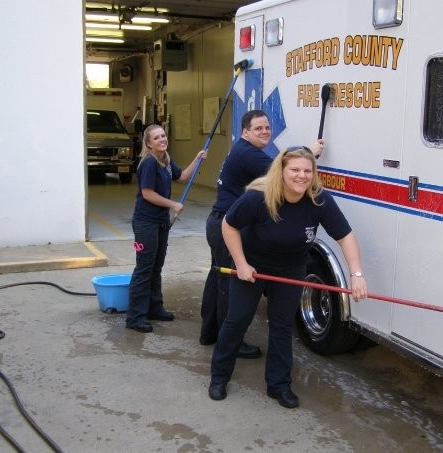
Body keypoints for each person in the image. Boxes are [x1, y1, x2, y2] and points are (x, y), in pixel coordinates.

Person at [208, 146, 367, 408]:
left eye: (307, 170)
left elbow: (345, 236)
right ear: (281, 171)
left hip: (290, 269)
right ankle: (219, 376)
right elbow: (229, 224)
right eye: (294, 169)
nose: (301, 176)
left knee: (281, 326)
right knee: (237, 321)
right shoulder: (258, 198)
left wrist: (356, 273)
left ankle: (278, 384)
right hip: (253, 268)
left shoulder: (318, 199)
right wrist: (241, 264)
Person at [199, 110, 324, 359]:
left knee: (218, 281)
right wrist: (309, 153)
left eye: (267, 127)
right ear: (246, 132)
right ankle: (230, 343)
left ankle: (209, 333)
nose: (265, 131)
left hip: (217, 222)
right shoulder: (249, 155)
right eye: (258, 128)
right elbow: (283, 172)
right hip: (227, 225)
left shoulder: (242, 149)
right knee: (228, 289)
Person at [126, 124, 207, 333]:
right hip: (145, 222)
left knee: (156, 266)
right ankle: (135, 317)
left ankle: (154, 308)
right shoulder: (149, 163)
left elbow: (182, 177)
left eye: (163, 135)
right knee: (144, 267)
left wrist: (198, 159)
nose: (162, 139)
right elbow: (147, 193)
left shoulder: (166, 161)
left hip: (160, 222)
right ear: (148, 143)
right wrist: (173, 204)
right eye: (156, 137)